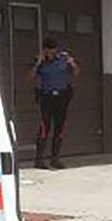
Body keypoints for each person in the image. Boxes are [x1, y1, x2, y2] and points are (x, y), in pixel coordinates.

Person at [31, 39, 79, 169]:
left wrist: (72, 64)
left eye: (53, 50)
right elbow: (30, 77)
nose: (51, 53)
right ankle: (39, 160)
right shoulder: (39, 61)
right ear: (44, 50)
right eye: (49, 50)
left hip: (62, 98)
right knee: (44, 128)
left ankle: (55, 159)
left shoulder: (63, 59)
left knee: (59, 128)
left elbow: (75, 74)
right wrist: (38, 63)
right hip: (46, 98)